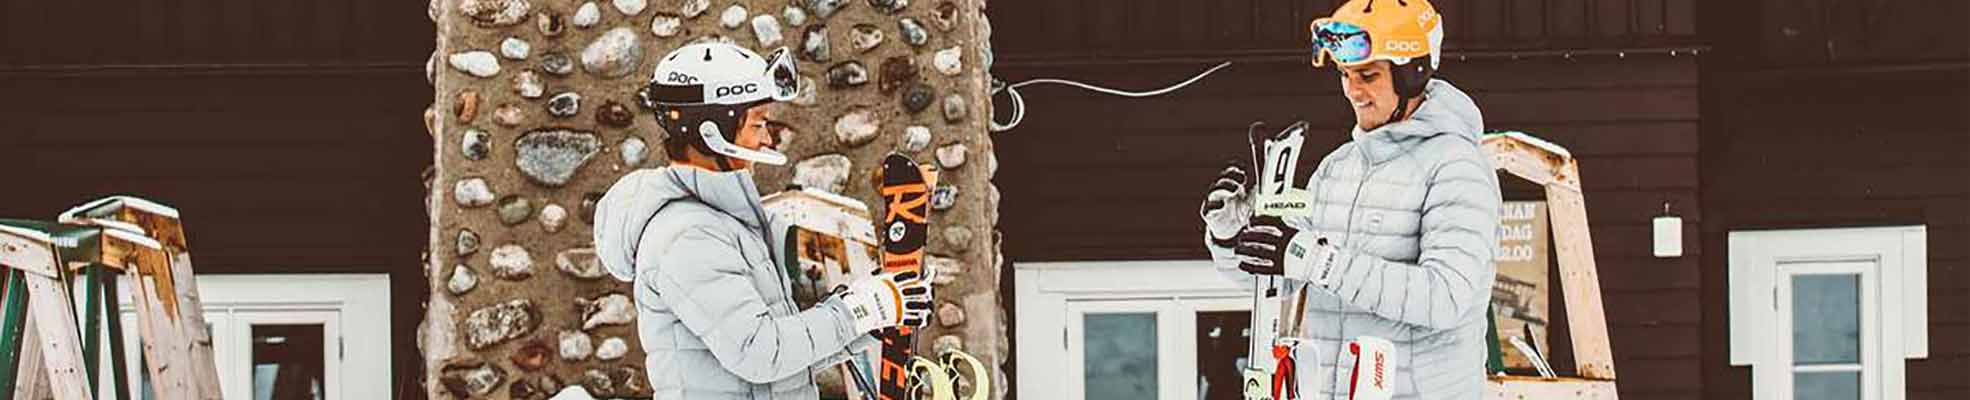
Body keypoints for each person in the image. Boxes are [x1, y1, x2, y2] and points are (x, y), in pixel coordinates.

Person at [593, 42, 932, 399]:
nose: (767, 138)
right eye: (758, 124)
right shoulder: (686, 238)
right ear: (713, 132)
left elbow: (780, 368)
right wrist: (857, 311)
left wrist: (870, 322)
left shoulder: (727, 225)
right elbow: (761, 353)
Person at [1200, 0, 1502, 398]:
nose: (1353, 90)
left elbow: (1444, 299)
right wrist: (1231, 235)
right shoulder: (1337, 167)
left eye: (1368, 75)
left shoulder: (1457, 169)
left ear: (1412, 73)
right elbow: (1281, 278)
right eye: (1345, 74)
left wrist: (1318, 260)